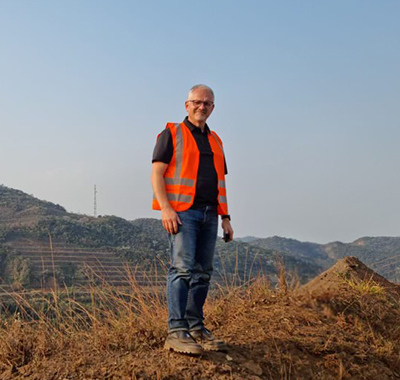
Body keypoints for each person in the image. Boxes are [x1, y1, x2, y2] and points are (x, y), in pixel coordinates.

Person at [151, 84, 234, 355]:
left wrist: (226, 218)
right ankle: (176, 332)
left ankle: (196, 327)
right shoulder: (171, 134)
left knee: (202, 273)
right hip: (182, 213)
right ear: (187, 105)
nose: (202, 107)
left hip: (210, 213)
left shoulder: (216, 141)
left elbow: (220, 182)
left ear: (213, 108)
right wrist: (166, 208)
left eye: (207, 103)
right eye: (197, 102)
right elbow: (157, 174)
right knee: (182, 270)